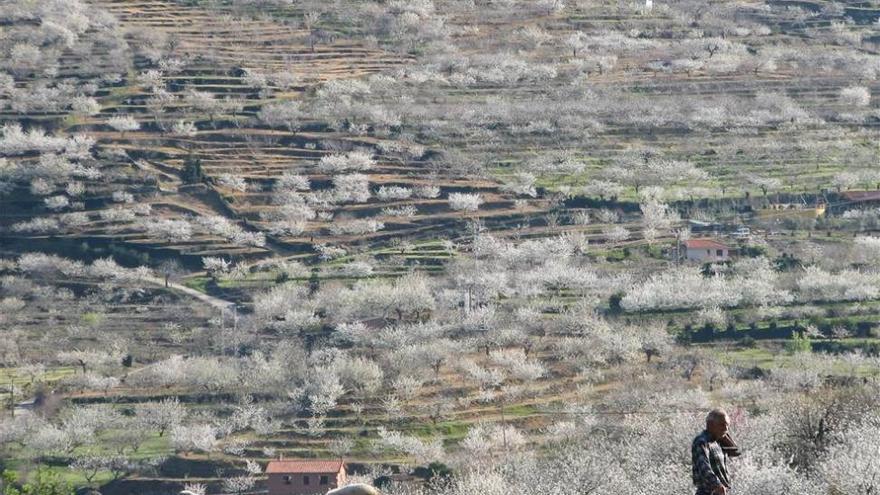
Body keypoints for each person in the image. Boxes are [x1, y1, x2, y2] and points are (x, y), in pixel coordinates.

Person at [692, 408, 742, 495]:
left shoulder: (718, 441)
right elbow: (704, 467)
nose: (726, 428)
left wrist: (725, 437)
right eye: (722, 425)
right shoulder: (702, 441)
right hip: (708, 492)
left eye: (727, 425)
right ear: (710, 425)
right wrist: (717, 485)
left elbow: (736, 452)